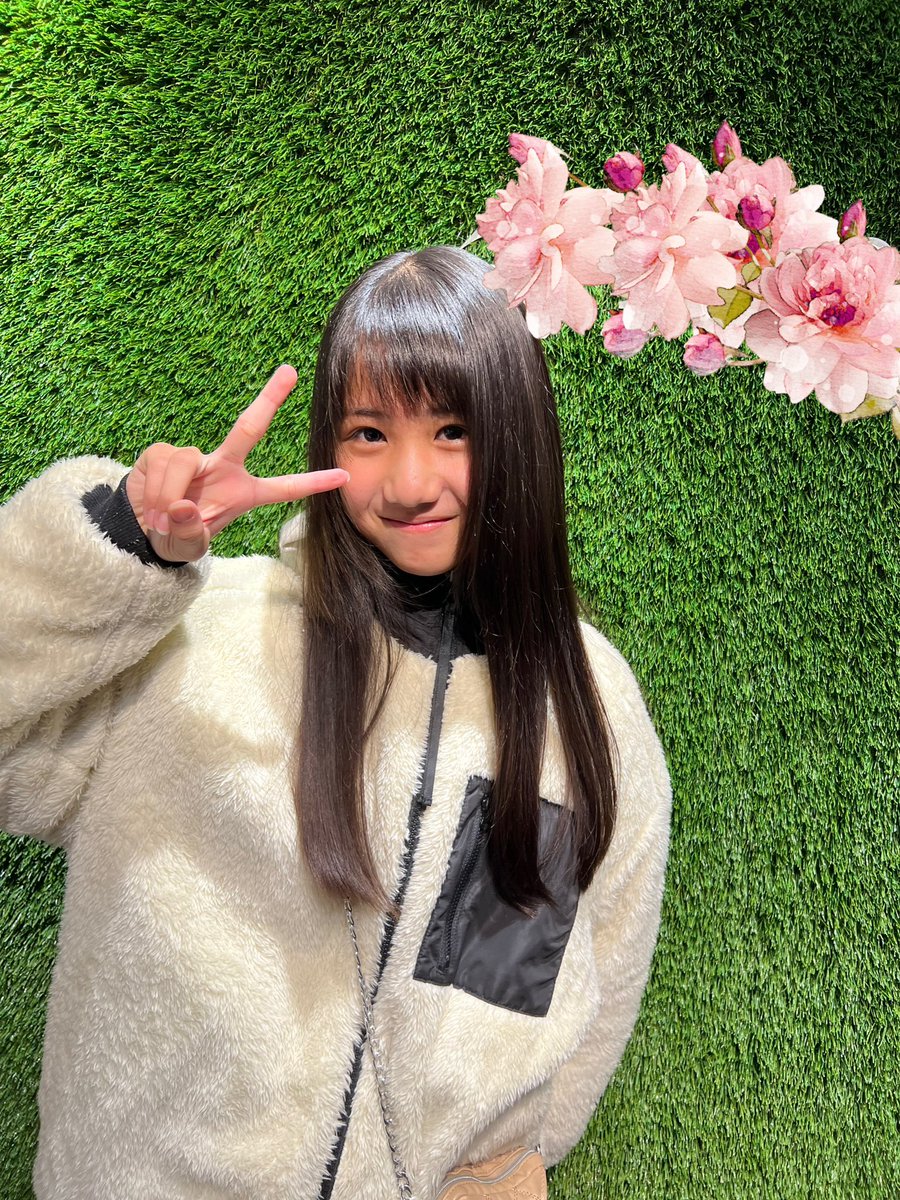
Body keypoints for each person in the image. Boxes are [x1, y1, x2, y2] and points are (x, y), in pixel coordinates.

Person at [0, 245, 671, 1200]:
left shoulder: (584, 703)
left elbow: (583, 967)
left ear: (520, 434)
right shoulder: (199, 638)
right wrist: (121, 545)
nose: (410, 481)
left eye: (454, 430)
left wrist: (507, 1160)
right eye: (368, 432)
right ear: (327, 441)